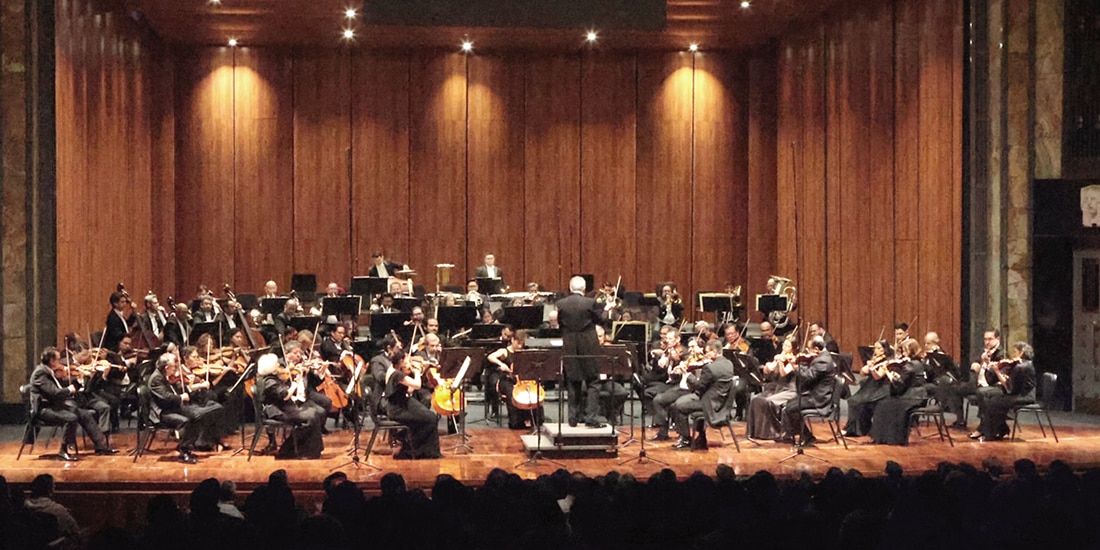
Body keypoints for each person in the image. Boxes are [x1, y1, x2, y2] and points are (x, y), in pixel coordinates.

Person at [29, 347, 117, 460]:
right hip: (43, 409)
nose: (60, 362)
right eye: (58, 359)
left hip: (54, 406)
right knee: (71, 418)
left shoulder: (47, 371)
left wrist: (81, 380)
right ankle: (63, 450)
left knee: (85, 414)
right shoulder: (40, 373)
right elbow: (54, 393)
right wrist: (70, 389)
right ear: (51, 361)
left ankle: (101, 446)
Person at [557, 275, 613, 427]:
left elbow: (560, 324)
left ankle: (573, 419)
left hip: (569, 346)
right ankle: (590, 418)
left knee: (573, 381)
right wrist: (607, 309)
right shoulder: (591, 303)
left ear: (570, 288)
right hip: (589, 346)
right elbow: (601, 320)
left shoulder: (561, 304)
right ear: (584, 289)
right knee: (593, 382)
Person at [148, 352, 224, 463]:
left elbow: (175, 393)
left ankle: (187, 446)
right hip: (162, 413)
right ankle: (184, 452)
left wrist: (189, 389)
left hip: (173, 408)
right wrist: (181, 397)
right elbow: (166, 397)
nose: (176, 368)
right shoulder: (156, 379)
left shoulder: (163, 376)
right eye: (174, 366)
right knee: (189, 420)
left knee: (208, 411)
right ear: (167, 367)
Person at [669, 339, 735, 450]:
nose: (705, 354)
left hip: (710, 404)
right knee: (681, 401)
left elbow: (699, 386)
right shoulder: (729, 363)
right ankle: (701, 438)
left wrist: (687, 375)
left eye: (707, 351)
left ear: (714, 352)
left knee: (678, 407)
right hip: (720, 401)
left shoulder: (710, 368)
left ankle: (685, 439)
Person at [256, 353, 324, 459]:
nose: (279, 366)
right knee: (311, 416)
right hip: (277, 411)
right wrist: (294, 385)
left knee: (314, 413)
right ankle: (290, 450)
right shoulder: (270, 382)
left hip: (282, 408)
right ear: (272, 369)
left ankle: (311, 450)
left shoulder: (267, 377)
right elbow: (285, 396)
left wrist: (298, 376)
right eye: (277, 365)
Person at [971, 342, 1037, 441]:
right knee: (990, 397)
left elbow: (1009, 388)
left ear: (1022, 352)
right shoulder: (1023, 364)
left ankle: (991, 433)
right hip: (1019, 392)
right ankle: (999, 429)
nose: (1013, 355)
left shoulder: (1021, 367)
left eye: (1015, 352)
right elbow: (1012, 384)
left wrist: (997, 371)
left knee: (994, 401)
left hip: (1024, 396)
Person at [383, 350, 442, 459]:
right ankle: (416, 450)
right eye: (407, 360)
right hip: (398, 409)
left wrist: (417, 372)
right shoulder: (397, 374)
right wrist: (417, 372)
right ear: (401, 361)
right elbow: (417, 385)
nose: (409, 362)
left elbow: (410, 390)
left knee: (430, 418)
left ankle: (423, 451)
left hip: (402, 404)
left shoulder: (394, 371)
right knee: (430, 419)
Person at [869, 339, 928, 445]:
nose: (903, 353)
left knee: (884, 405)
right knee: (884, 403)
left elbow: (899, 383)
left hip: (913, 397)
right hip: (918, 395)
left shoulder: (911, 365)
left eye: (905, 350)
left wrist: (888, 373)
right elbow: (905, 380)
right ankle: (885, 437)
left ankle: (889, 438)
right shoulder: (917, 363)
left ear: (911, 351)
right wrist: (896, 376)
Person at [780, 336, 836, 445]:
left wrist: (795, 366)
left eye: (809, 349)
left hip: (818, 398)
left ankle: (806, 436)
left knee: (791, 408)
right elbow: (811, 373)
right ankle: (794, 434)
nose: (808, 352)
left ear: (816, 349)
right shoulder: (822, 357)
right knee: (789, 405)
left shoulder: (823, 361)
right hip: (813, 394)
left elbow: (807, 377)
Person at [488, 330, 544, 429]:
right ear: (513, 340)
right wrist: (501, 364)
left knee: (534, 392)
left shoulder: (524, 352)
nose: (519, 346)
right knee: (512, 392)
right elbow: (490, 357)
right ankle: (517, 421)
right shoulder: (505, 351)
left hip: (523, 380)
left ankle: (534, 419)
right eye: (518, 343)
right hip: (507, 380)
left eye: (522, 344)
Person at [745, 337, 798, 441]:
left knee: (768, 402)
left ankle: (776, 432)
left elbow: (783, 374)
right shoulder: (779, 357)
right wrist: (769, 366)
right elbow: (766, 372)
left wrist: (781, 363)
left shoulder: (794, 360)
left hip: (790, 390)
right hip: (778, 388)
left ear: (793, 349)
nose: (784, 348)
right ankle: (757, 432)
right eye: (784, 345)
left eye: (788, 346)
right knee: (756, 399)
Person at [843, 340, 894, 437]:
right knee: (853, 400)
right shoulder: (875, 359)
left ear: (885, 349)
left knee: (858, 402)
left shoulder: (887, 361)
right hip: (870, 386)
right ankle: (855, 429)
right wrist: (865, 367)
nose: (876, 350)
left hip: (880, 387)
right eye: (875, 348)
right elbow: (862, 374)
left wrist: (872, 368)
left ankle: (857, 429)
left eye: (879, 348)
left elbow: (878, 376)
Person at [25, 474, 82, 545]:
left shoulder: (21, 507)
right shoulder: (59, 510)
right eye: (53, 486)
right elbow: (76, 532)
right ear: (50, 490)